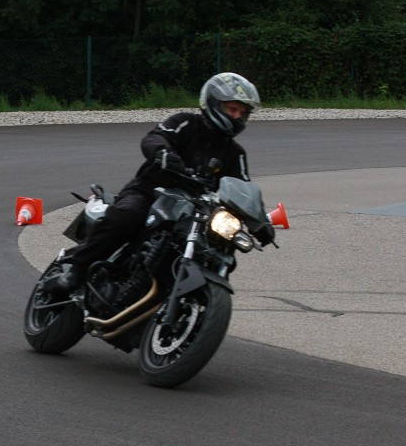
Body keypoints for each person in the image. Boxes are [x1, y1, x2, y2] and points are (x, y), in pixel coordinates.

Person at [55, 72, 275, 293]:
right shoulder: (186, 122)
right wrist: (164, 153)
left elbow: (243, 188)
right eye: (232, 109)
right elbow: (155, 137)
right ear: (213, 103)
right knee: (127, 216)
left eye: (242, 112)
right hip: (151, 191)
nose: (236, 116)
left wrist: (260, 223)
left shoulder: (235, 153)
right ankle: (77, 269)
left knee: (220, 248)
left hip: (193, 210)